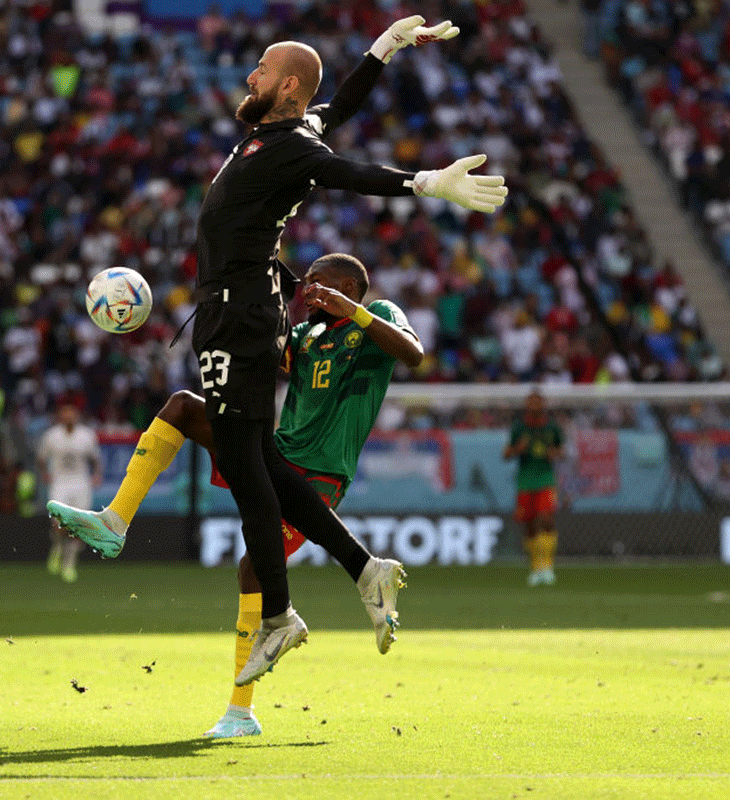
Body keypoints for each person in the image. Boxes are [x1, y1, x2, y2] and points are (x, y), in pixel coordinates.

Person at [59, 16, 506, 685]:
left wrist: (424, 183)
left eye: (262, 70)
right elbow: (342, 106)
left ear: (287, 86)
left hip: (243, 317)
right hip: (230, 314)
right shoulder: (277, 136)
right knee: (259, 458)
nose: (250, 77)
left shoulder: (293, 146)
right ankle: (363, 568)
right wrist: (384, 48)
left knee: (246, 468)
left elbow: (344, 170)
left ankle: (278, 615)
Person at [52, 253, 423, 736]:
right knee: (184, 406)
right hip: (274, 452)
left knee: (253, 568)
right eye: (305, 283)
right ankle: (116, 519)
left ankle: (240, 711)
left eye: (319, 283)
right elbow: (254, 356)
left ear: (350, 285)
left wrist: (353, 310)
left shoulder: (379, 316)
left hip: (320, 473)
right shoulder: (305, 336)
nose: (308, 290)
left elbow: (413, 353)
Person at [502, 390, 563, 586]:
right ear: (527, 405)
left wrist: (556, 453)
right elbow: (506, 454)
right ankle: (536, 566)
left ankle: (548, 566)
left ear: (543, 404)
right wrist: (518, 449)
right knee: (528, 524)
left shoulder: (552, 427)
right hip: (525, 480)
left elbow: (562, 450)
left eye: (538, 402)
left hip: (546, 478)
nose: (534, 405)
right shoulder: (520, 427)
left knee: (546, 518)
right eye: (531, 402)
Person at [37, 402, 102, 583]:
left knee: (79, 526)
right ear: (60, 417)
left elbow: (95, 458)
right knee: (58, 523)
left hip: (81, 483)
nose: (68, 417)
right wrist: (44, 473)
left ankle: (69, 564)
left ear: (77, 416)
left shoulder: (86, 435)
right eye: (65, 414)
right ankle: (57, 548)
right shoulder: (52, 436)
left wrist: (97, 475)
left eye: (71, 414)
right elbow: (41, 458)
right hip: (60, 482)